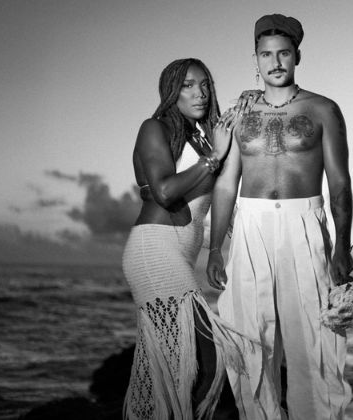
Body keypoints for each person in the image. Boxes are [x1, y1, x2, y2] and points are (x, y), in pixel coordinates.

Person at [206, 14, 353, 420]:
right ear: (255, 59)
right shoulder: (240, 113)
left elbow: (340, 183)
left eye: (283, 53)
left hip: (303, 224)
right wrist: (215, 247)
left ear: (297, 56)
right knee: (248, 338)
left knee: (315, 339)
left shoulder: (323, 109)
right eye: (266, 54)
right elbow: (226, 184)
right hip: (250, 225)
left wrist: (342, 246)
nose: (275, 62)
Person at [122, 58, 257, 420]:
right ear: (171, 91)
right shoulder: (154, 128)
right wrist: (213, 157)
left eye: (205, 84)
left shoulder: (203, 137)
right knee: (203, 361)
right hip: (154, 251)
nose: (200, 93)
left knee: (187, 367)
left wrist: (216, 249)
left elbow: (221, 190)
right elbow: (165, 191)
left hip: (182, 254)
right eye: (188, 85)